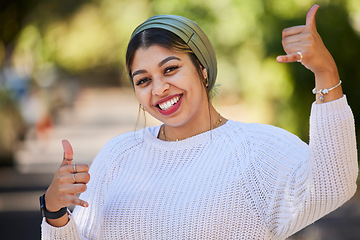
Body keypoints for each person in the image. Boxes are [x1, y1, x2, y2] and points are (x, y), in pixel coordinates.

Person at [40, 5, 358, 239]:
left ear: (202, 70)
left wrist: (325, 72)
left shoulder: (257, 149)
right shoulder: (118, 155)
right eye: (143, 80)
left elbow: (333, 185)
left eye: (170, 69)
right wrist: (55, 213)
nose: (159, 88)